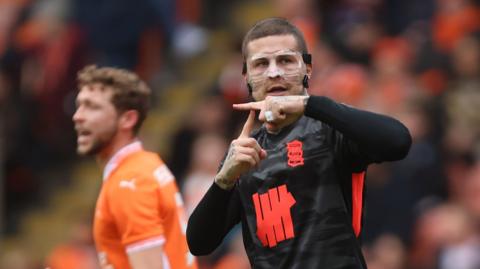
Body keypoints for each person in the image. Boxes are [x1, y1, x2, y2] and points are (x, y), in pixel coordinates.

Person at [186, 17, 412, 268]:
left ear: (308, 69)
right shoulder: (245, 152)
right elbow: (199, 243)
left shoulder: (331, 128)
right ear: (246, 77)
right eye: (261, 64)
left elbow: (399, 141)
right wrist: (224, 180)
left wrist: (310, 104)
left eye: (285, 60)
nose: (274, 72)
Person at [73, 65, 197, 269]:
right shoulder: (146, 165)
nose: (78, 115)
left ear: (127, 119)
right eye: (79, 105)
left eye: (92, 106)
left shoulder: (129, 181)